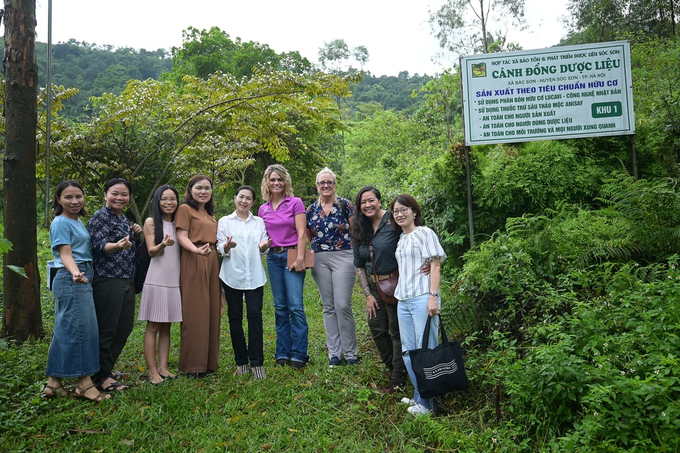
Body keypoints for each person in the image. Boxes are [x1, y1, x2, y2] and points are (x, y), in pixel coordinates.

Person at [44, 180, 111, 402]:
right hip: (73, 277)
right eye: (68, 197)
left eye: (78, 196)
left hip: (79, 275)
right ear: (58, 200)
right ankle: (85, 384)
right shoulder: (61, 222)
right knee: (85, 331)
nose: (74, 201)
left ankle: (53, 384)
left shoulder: (76, 221)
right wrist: (75, 272)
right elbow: (65, 254)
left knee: (65, 329)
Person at [391, 194, 446, 417]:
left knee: (427, 351)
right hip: (403, 299)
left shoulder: (425, 233)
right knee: (408, 352)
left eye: (404, 209)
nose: (399, 214)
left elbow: (435, 266)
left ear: (414, 211)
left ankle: (430, 404)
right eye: (395, 211)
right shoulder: (401, 239)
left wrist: (433, 297)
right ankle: (419, 396)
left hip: (423, 297)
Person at [88, 177, 142, 392]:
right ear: (106, 195)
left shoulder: (123, 220)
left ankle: (106, 369)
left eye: (124, 194)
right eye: (115, 193)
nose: (120, 197)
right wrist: (118, 246)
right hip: (108, 280)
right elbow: (100, 246)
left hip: (127, 279)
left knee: (124, 327)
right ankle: (100, 376)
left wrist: (134, 236)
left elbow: (130, 249)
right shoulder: (99, 217)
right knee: (108, 329)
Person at [351, 186, 407, 393]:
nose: (367, 205)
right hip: (374, 286)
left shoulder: (394, 221)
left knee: (396, 331)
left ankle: (399, 379)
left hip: (395, 284)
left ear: (380, 201)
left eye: (371, 200)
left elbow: (414, 238)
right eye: (363, 202)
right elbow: (359, 264)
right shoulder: (359, 227)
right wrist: (367, 295)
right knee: (376, 326)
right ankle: (392, 366)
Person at [258, 164, 309, 370]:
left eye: (279, 179)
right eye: (273, 180)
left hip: (293, 254)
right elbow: (263, 238)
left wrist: (301, 258)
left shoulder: (295, 203)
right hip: (273, 257)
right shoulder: (263, 208)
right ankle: (282, 352)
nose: (276, 183)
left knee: (295, 306)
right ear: (267, 183)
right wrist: (263, 245)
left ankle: (299, 354)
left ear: (285, 181)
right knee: (280, 307)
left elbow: (302, 232)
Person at [217, 185, 270, 380]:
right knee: (235, 318)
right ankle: (241, 362)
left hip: (255, 276)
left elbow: (263, 246)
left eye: (248, 198)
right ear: (235, 198)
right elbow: (219, 247)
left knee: (255, 317)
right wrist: (226, 246)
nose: (244, 201)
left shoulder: (259, 222)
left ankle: (257, 362)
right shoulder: (225, 221)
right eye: (241, 197)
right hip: (232, 276)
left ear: (253, 202)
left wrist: (265, 246)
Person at [306, 168, 358, 367]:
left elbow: (355, 230)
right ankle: (334, 354)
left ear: (335, 185)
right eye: (322, 183)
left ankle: (351, 353)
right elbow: (309, 235)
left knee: (342, 304)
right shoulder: (310, 209)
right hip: (319, 258)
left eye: (329, 182)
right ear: (317, 186)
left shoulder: (345, 205)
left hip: (344, 256)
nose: (326, 185)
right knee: (328, 307)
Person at [175, 175, 221, 377]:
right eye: (199, 188)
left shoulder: (209, 213)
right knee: (195, 310)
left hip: (212, 260)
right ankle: (192, 365)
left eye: (207, 188)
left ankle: (209, 362)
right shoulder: (185, 210)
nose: (204, 191)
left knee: (212, 308)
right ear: (190, 190)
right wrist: (195, 251)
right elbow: (181, 236)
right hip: (194, 258)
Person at [138, 185, 182, 384]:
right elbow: (151, 251)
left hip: (174, 281)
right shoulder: (151, 222)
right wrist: (163, 244)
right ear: (157, 201)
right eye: (164, 199)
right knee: (153, 326)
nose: (169, 203)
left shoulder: (178, 224)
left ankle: (163, 367)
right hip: (156, 280)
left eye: (173, 199)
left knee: (167, 326)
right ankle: (152, 370)